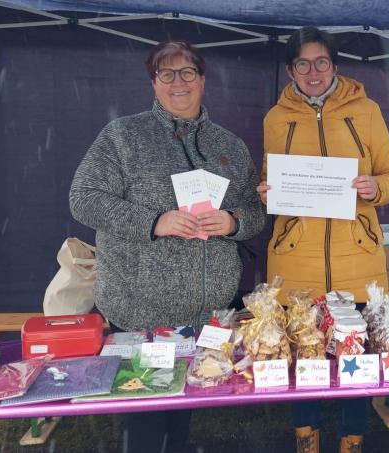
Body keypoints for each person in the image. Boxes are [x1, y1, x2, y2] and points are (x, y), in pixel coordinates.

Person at [70, 40, 265, 453]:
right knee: (145, 411)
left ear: (203, 80)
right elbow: (84, 197)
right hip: (140, 309)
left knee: (185, 408)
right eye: (167, 74)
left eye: (188, 73)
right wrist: (153, 222)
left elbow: (254, 213)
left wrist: (234, 222)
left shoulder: (229, 146)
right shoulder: (123, 136)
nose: (179, 82)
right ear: (153, 82)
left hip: (207, 313)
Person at [257, 27, 389, 453]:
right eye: (302, 64)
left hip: (356, 262)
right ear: (291, 71)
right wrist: (266, 191)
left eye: (321, 62)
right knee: (306, 359)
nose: (313, 71)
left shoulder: (367, 111)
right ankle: (306, 438)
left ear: (335, 66)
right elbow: (271, 180)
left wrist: (376, 187)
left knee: (354, 363)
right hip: (294, 263)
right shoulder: (275, 118)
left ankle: (351, 440)